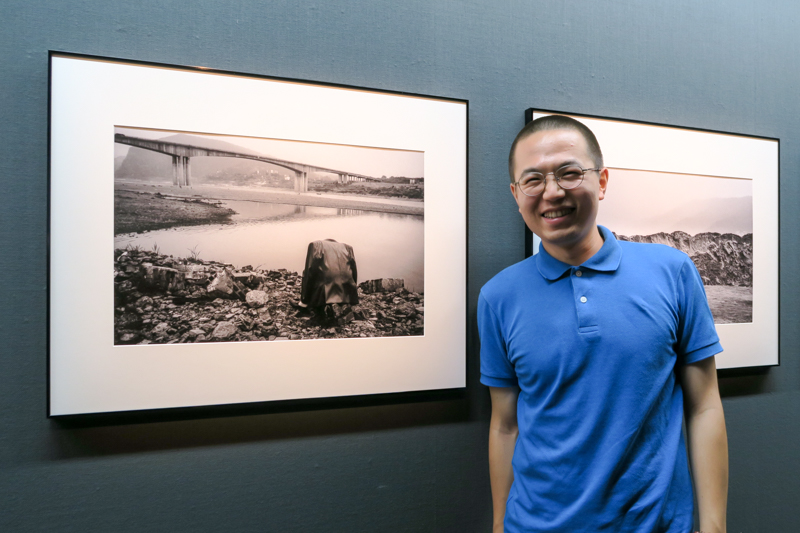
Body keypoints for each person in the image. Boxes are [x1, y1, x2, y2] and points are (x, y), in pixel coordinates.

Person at [478, 115, 728, 533]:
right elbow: (504, 425)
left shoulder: (673, 271)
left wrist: (715, 527)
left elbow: (704, 406)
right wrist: (500, 526)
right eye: (533, 180)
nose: (552, 192)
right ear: (516, 194)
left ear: (603, 181)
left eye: (569, 173)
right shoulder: (498, 297)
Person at [300, 238, 359, 308]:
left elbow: (309, 272)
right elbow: (354, 272)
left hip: (325, 294)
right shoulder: (348, 248)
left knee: (308, 272)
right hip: (348, 294)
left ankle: (305, 305)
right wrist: (353, 292)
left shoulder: (316, 245)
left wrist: (305, 299)